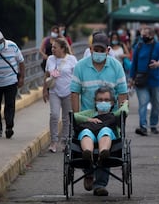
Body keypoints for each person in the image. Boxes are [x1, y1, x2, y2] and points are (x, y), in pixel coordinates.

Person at [71, 32, 128, 197]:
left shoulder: (116, 67)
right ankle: (88, 172)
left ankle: (100, 184)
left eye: (102, 49)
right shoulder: (80, 66)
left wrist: (120, 115)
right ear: (90, 48)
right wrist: (77, 116)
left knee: (106, 140)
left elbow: (122, 93)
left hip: (107, 118)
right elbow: (74, 93)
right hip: (87, 116)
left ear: (108, 50)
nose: (99, 52)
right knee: (85, 137)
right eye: (96, 49)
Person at [74, 86, 129, 167]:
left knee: (105, 130)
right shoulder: (90, 113)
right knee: (86, 132)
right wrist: (88, 119)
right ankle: (88, 153)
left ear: (112, 102)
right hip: (90, 134)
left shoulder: (114, 114)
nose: (103, 102)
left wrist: (125, 103)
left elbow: (124, 111)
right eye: (100, 100)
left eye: (106, 100)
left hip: (109, 138)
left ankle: (103, 153)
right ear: (95, 102)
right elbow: (74, 116)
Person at [42, 38, 77, 153]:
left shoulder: (71, 59)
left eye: (55, 47)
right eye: (52, 47)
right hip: (54, 91)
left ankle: (65, 141)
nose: (52, 49)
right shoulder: (50, 59)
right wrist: (44, 90)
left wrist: (77, 92)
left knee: (66, 118)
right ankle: (53, 141)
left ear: (62, 48)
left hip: (68, 92)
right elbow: (46, 75)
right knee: (54, 115)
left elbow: (76, 76)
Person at [129, 26, 159, 136]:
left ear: (152, 35)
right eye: (141, 35)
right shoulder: (138, 47)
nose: (143, 37)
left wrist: (158, 63)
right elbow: (133, 64)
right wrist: (131, 79)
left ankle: (153, 124)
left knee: (156, 104)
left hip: (155, 80)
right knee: (143, 103)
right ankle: (143, 126)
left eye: (145, 35)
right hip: (141, 81)